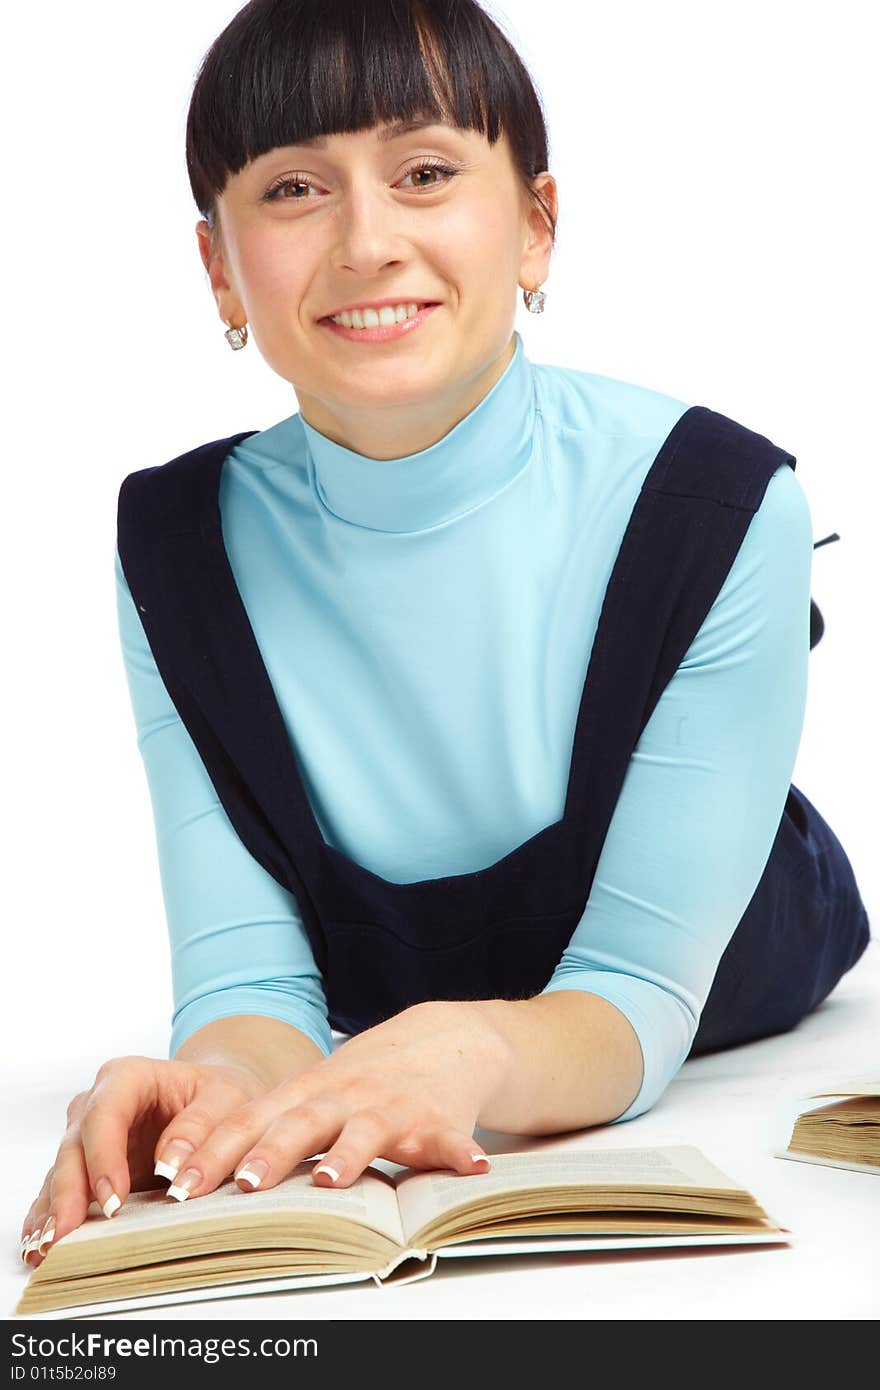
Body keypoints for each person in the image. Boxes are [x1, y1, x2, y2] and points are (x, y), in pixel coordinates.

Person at [20, 0, 869, 1270]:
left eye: (425, 174)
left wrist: (474, 1049)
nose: (368, 242)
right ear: (217, 268)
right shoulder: (176, 540)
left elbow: (635, 991)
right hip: (396, 1008)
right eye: (295, 187)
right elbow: (252, 979)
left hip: (713, 959)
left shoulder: (717, 502)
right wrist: (208, 1086)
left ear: (534, 226)